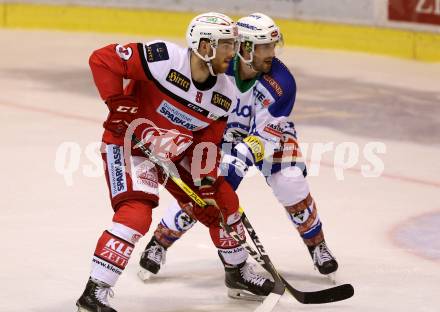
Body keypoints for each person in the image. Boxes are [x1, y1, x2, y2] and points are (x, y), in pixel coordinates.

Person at [76, 12, 274, 312]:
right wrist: (118, 104)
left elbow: (208, 137)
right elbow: (103, 59)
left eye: (234, 44)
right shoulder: (163, 59)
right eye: (226, 45)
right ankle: (95, 293)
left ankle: (236, 271)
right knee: (136, 213)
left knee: (221, 200)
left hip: (175, 150)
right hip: (131, 144)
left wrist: (206, 177)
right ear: (204, 46)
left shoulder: (225, 93)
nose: (233, 52)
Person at [138, 13, 339, 289]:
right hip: (219, 137)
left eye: (272, 46)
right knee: (205, 192)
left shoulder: (283, 83)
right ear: (244, 48)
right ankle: (159, 241)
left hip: (267, 138)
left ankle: (317, 245)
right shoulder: (219, 66)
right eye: (263, 47)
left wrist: (240, 156)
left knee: (291, 180)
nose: (271, 53)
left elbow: (268, 136)